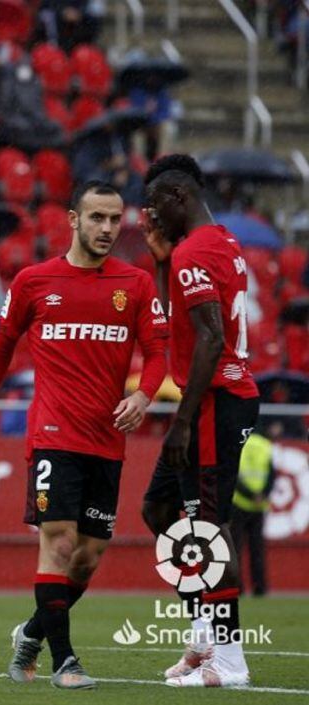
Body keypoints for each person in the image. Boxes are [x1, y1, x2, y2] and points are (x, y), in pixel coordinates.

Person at [0, 180, 168, 689]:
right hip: (53, 433)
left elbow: (160, 354)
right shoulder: (34, 281)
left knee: (87, 557)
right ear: (73, 220)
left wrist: (143, 396)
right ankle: (65, 662)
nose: (107, 228)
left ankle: (31, 633)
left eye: (115, 219)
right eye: (97, 217)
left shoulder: (136, 284)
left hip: (107, 438)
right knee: (59, 541)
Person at [139, 153, 260, 688]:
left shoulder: (195, 251)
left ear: (178, 196)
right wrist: (163, 265)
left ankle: (230, 661)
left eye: (154, 204)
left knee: (210, 530)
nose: (149, 215)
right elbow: (190, 326)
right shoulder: (222, 242)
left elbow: (210, 338)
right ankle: (204, 633)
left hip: (214, 402)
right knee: (160, 508)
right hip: (216, 397)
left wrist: (183, 421)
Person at [230, 425, 278, 597]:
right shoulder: (266, 446)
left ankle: (237, 586)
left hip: (238, 503)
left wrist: (249, 495)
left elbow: (233, 475)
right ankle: (260, 587)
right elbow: (272, 476)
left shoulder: (237, 444)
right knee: (257, 549)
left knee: (235, 548)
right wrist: (262, 494)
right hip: (259, 505)